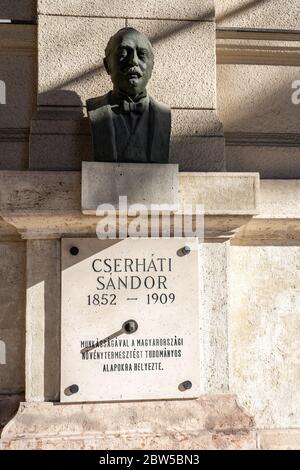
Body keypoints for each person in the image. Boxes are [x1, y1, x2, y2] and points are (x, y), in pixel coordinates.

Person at [86, 28, 171, 163]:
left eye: (142, 54)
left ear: (152, 67)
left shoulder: (163, 113)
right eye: (123, 53)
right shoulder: (96, 110)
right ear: (107, 65)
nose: (133, 61)